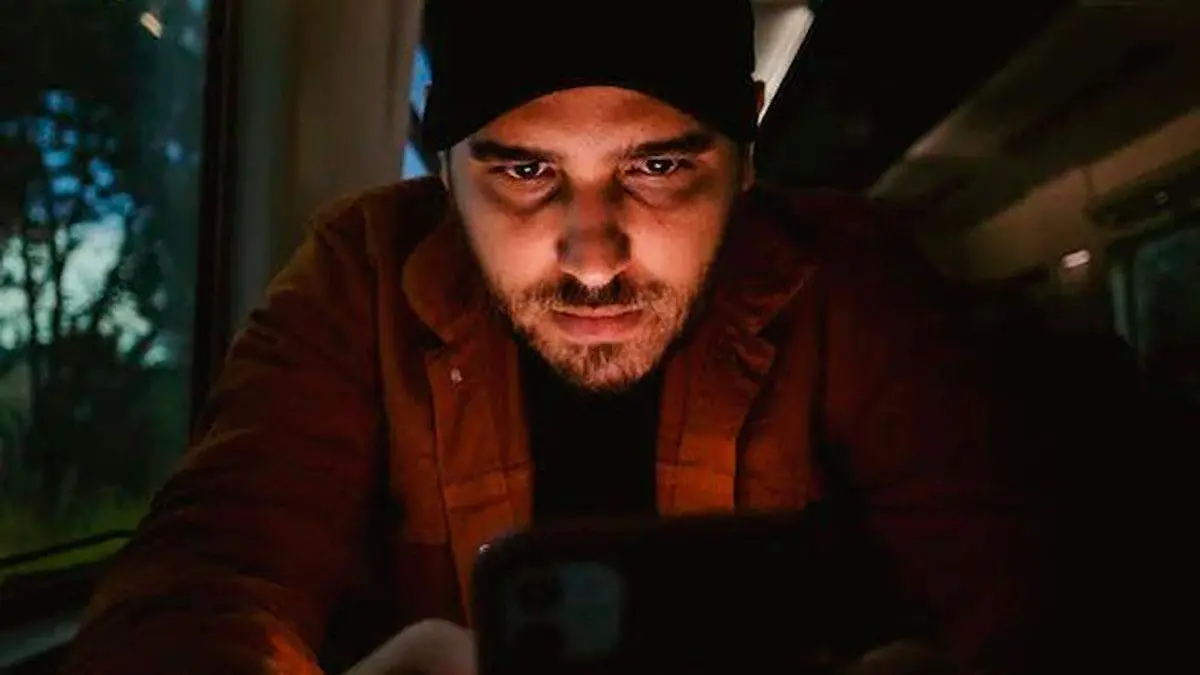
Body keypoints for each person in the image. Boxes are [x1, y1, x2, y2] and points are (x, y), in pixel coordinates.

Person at [63, 1, 1074, 673]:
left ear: (748, 154)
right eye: (525, 172)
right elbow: (208, 574)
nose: (593, 260)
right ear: (445, 167)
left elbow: (1029, 587)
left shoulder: (850, 279)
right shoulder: (357, 277)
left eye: (659, 168)